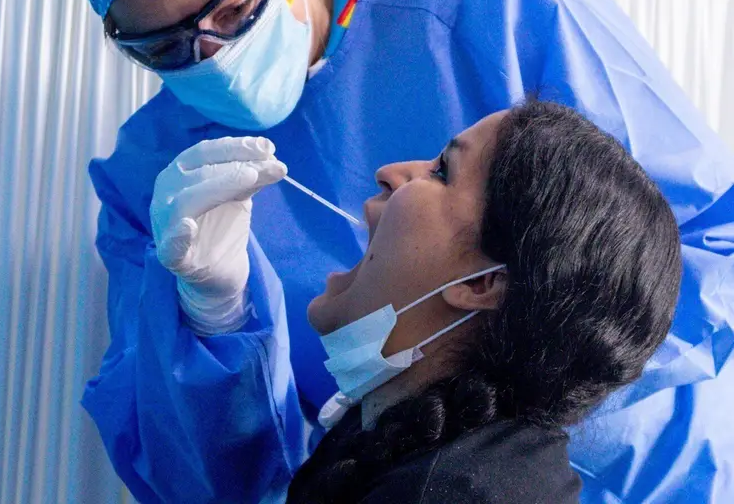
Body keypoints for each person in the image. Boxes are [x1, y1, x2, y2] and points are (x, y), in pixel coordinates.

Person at [43, 0, 734, 503]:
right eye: (163, 47)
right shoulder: (158, 176)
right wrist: (215, 316)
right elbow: (199, 477)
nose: (211, 58)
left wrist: (519, 418)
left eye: (231, 9)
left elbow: (707, 240)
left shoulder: (498, 13)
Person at [286, 101, 682, 503]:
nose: (388, 173)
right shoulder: (404, 433)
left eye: (441, 172)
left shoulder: (448, 492)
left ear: (483, 284)